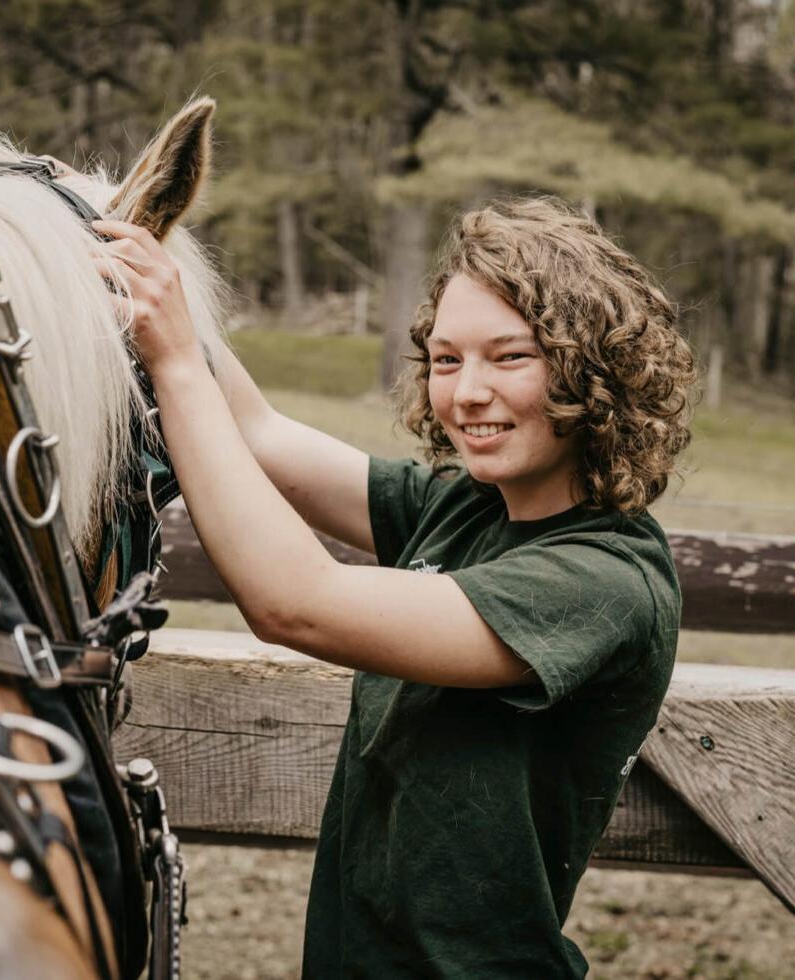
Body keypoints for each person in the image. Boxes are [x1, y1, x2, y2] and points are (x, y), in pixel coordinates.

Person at [94, 196, 696, 978]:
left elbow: (297, 603)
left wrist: (175, 360)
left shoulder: (606, 581)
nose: (467, 393)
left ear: (594, 370)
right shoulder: (460, 509)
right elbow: (261, 432)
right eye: (446, 360)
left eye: (509, 357)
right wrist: (145, 269)